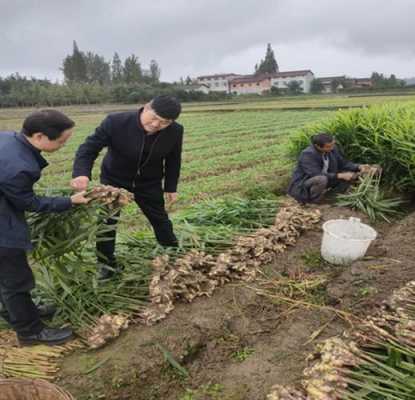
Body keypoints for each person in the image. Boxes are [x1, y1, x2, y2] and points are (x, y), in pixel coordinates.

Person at [0, 110, 90, 346]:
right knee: (15, 279)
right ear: (39, 136)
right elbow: (28, 202)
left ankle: (16, 313)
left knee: (5, 278)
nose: (63, 145)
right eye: (61, 141)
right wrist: (69, 201)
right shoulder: (20, 166)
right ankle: (30, 332)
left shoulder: (7, 138)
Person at [71, 95, 183, 279]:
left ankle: (173, 254)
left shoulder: (175, 131)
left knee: (160, 219)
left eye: (164, 122)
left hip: (149, 182)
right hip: (114, 180)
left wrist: (171, 186)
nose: (156, 125)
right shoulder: (116, 122)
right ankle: (106, 265)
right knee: (107, 223)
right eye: (154, 118)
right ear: (146, 107)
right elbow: (88, 148)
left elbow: (173, 159)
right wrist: (81, 173)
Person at [288, 133, 370, 204]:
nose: (332, 148)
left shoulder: (332, 149)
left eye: (332, 145)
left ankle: (329, 197)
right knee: (321, 179)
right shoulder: (307, 154)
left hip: (327, 177)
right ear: (317, 146)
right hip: (305, 184)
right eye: (328, 146)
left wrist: (359, 166)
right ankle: (312, 201)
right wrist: (339, 175)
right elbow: (315, 174)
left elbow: (343, 163)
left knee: (350, 175)